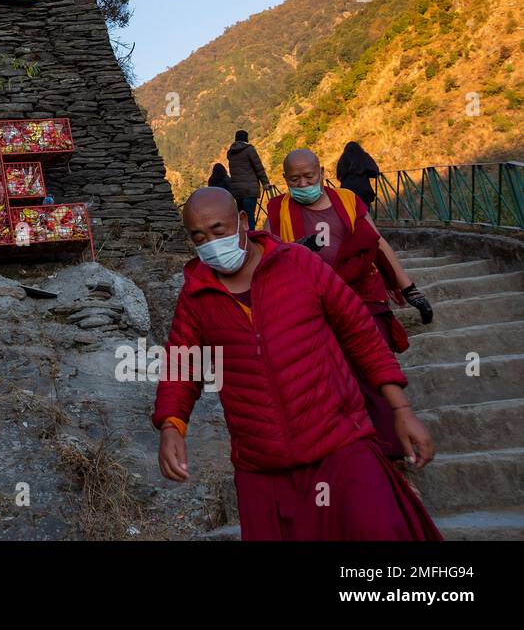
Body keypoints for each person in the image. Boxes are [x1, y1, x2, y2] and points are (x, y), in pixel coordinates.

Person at [154, 187, 441, 540]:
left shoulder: (298, 264)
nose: (211, 243)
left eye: (218, 230)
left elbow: (361, 333)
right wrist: (172, 425)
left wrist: (400, 408)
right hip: (263, 467)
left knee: (380, 532)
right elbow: (181, 365)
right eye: (199, 237)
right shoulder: (197, 295)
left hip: (340, 446)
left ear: (243, 221)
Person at [264, 148, 436, 459]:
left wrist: (409, 289)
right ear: (285, 179)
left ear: (322, 172)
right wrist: (292, 251)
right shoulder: (278, 209)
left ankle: (394, 453)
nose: (303, 184)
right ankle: (356, 450)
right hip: (315, 304)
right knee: (335, 381)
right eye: (295, 179)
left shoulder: (346, 200)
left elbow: (375, 242)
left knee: (375, 374)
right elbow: (269, 256)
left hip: (364, 296)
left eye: (309, 176)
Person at [226, 130, 271, 228]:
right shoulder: (249, 150)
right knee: (249, 216)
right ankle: (252, 240)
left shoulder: (230, 152)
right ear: (246, 138)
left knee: (242, 217)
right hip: (249, 189)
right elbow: (258, 167)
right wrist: (265, 183)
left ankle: (243, 240)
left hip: (237, 191)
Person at [337, 141, 381, 206]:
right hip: (363, 190)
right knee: (364, 212)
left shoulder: (342, 158)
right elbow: (375, 171)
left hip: (346, 190)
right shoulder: (363, 156)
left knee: (350, 212)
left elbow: (339, 174)